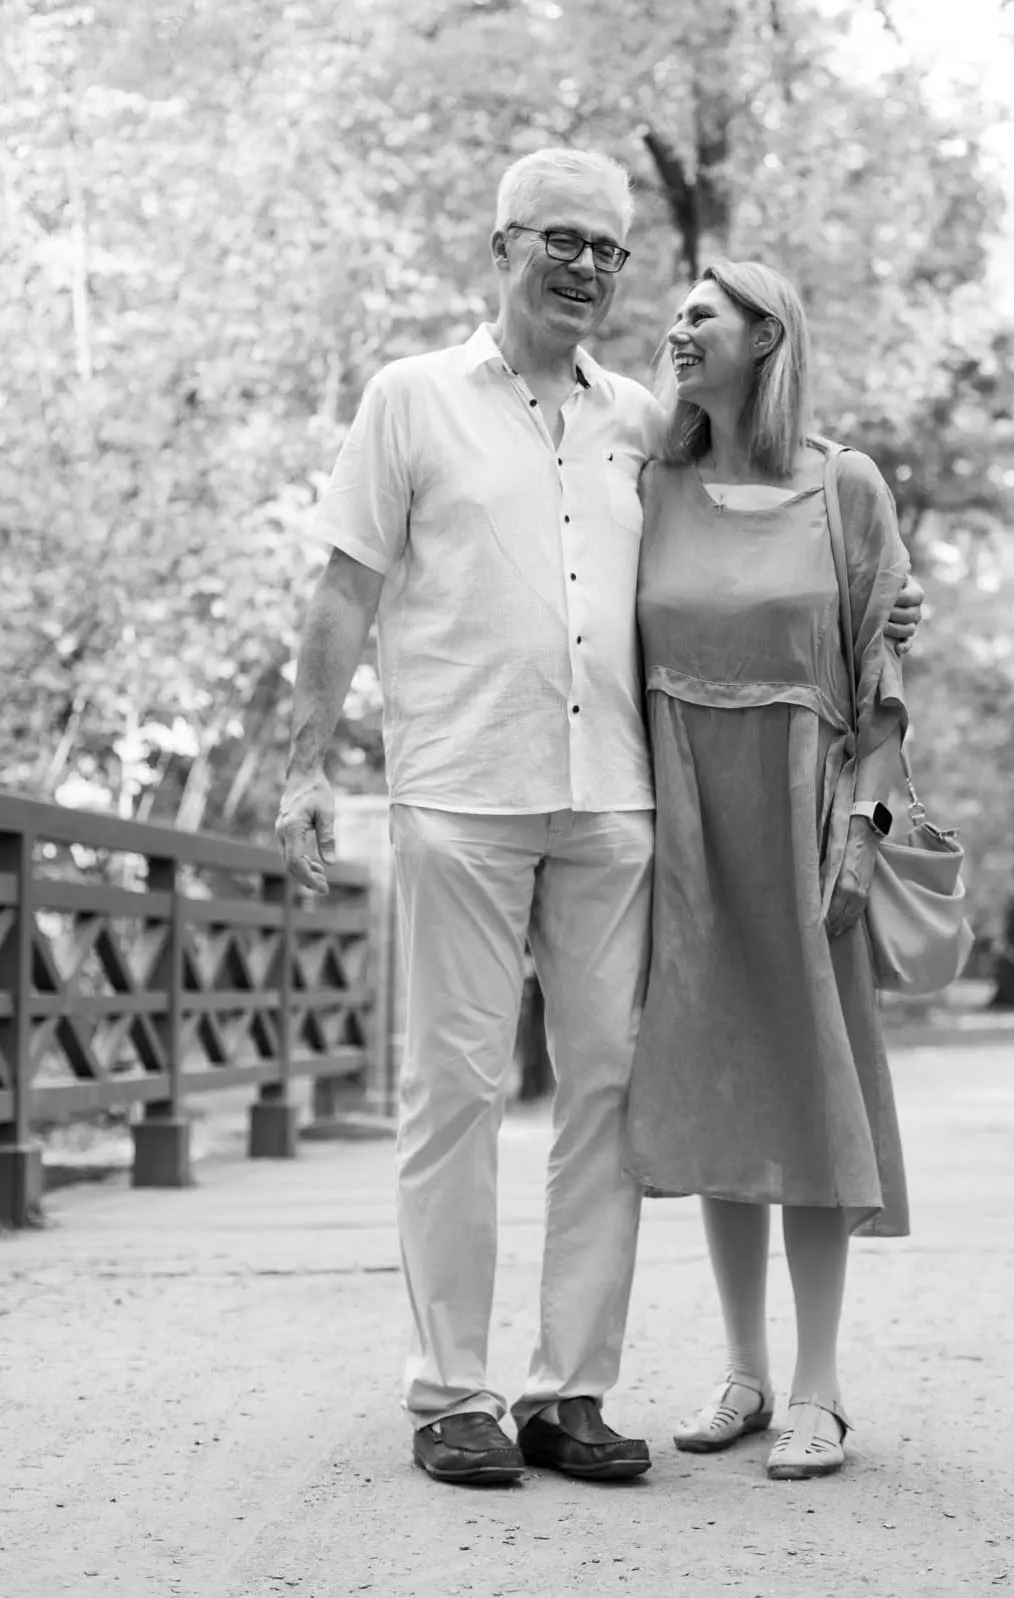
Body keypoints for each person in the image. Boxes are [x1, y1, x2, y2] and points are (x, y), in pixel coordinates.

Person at [275, 147, 922, 1490]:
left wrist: (882, 604)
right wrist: (302, 766)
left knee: (609, 1091)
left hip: (618, 802)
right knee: (454, 1091)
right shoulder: (411, 399)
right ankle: (451, 1391)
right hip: (461, 788)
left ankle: (569, 1390)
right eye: (559, 239)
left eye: (607, 249)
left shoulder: (641, 423)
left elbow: (779, 539)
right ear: (503, 245)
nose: (585, 267)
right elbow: (344, 588)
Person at [623, 258, 912, 1482]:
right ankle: (742, 1369)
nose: (677, 327)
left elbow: (884, 683)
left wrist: (863, 828)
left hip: (804, 816)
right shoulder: (652, 484)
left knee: (808, 1083)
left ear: (765, 335)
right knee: (718, 1082)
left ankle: (819, 1386)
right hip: (685, 819)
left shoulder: (844, 485)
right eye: (678, 313)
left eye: (703, 312)